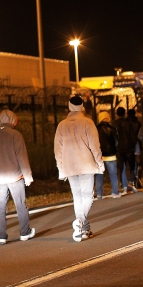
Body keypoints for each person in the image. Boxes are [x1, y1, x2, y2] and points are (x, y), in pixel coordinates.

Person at [54, 95, 103, 242]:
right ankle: (80, 221)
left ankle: (84, 229)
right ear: (82, 107)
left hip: (69, 166)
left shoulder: (61, 125)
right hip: (86, 164)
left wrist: (60, 168)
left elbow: (58, 150)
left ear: (69, 107)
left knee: (77, 197)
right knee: (88, 196)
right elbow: (95, 145)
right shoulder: (88, 122)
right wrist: (100, 163)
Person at [0, 109, 35, 245]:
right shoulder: (16, 135)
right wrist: (28, 176)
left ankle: (1, 236)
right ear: (13, 120)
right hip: (15, 176)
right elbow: (22, 157)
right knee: (20, 204)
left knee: (0, 207)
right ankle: (24, 233)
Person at [112, 106, 141, 194]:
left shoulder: (114, 124)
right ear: (124, 113)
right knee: (132, 166)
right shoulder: (128, 123)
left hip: (119, 149)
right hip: (129, 148)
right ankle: (131, 181)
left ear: (117, 114)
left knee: (122, 168)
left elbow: (114, 138)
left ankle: (124, 186)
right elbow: (133, 136)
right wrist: (135, 146)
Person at [94, 110, 120, 199]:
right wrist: (115, 151)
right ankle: (115, 192)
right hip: (111, 155)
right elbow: (116, 142)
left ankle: (99, 194)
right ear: (108, 118)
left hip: (99, 155)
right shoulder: (112, 129)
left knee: (99, 175)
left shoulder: (96, 129)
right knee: (113, 175)